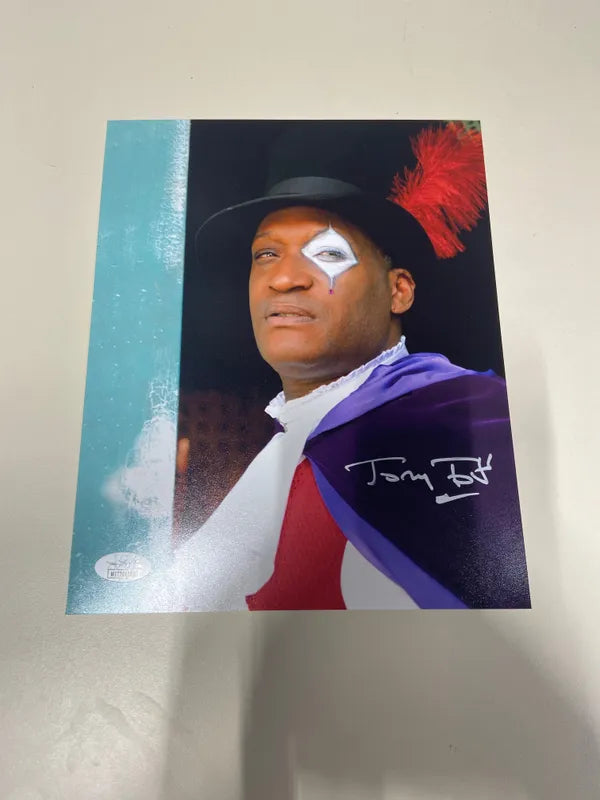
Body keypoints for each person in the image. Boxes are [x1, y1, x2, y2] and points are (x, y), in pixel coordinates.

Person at [171, 122, 530, 611]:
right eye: (266, 254)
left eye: (328, 252)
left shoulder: (471, 420)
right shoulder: (290, 440)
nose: (284, 278)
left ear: (398, 291)